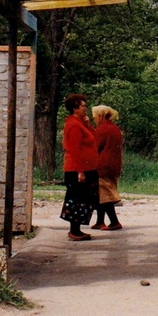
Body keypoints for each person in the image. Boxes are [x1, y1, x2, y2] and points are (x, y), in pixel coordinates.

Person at [60, 93, 99, 241]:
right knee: (77, 199)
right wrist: (80, 171)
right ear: (75, 108)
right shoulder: (73, 125)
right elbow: (74, 149)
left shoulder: (81, 123)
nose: (86, 108)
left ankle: (77, 229)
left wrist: (88, 123)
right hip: (77, 169)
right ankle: (74, 230)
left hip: (88, 167)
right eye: (83, 106)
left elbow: (94, 137)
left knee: (84, 199)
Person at [91, 105, 124, 230]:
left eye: (95, 116)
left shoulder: (102, 130)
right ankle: (100, 221)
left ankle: (114, 222)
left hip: (102, 166)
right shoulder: (115, 129)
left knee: (105, 194)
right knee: (102, 193)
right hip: (114, 165)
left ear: (100, 116)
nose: (94, 118)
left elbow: (94, 146)